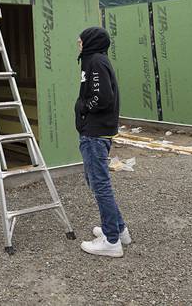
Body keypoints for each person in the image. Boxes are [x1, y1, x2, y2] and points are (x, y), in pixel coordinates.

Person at [73, 27, 131, 257]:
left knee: (100, 184)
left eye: (81, 39)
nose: (78, 43)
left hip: (94, 133)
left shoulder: (95, 61)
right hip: (97, 132)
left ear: (91, 41)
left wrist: (84, 109)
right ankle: (119, 229)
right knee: (96, 181)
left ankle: (111, 241)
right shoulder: (95, 60)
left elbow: (102, 97)